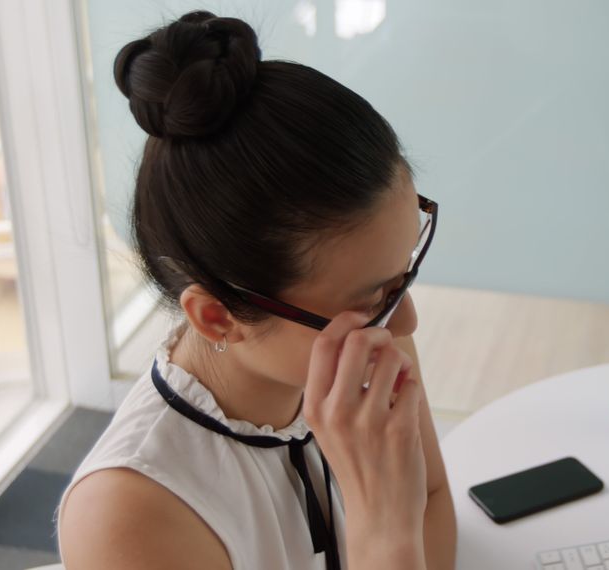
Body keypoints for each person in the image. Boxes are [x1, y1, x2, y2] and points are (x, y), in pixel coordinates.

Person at [57, 12, 456, 570]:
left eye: (401, 278)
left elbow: (434, 505)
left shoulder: (364, 347)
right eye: (373, 298)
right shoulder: (129, 516)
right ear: (218, 317)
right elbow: (411, 527)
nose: (404, 321)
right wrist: (383, 529)